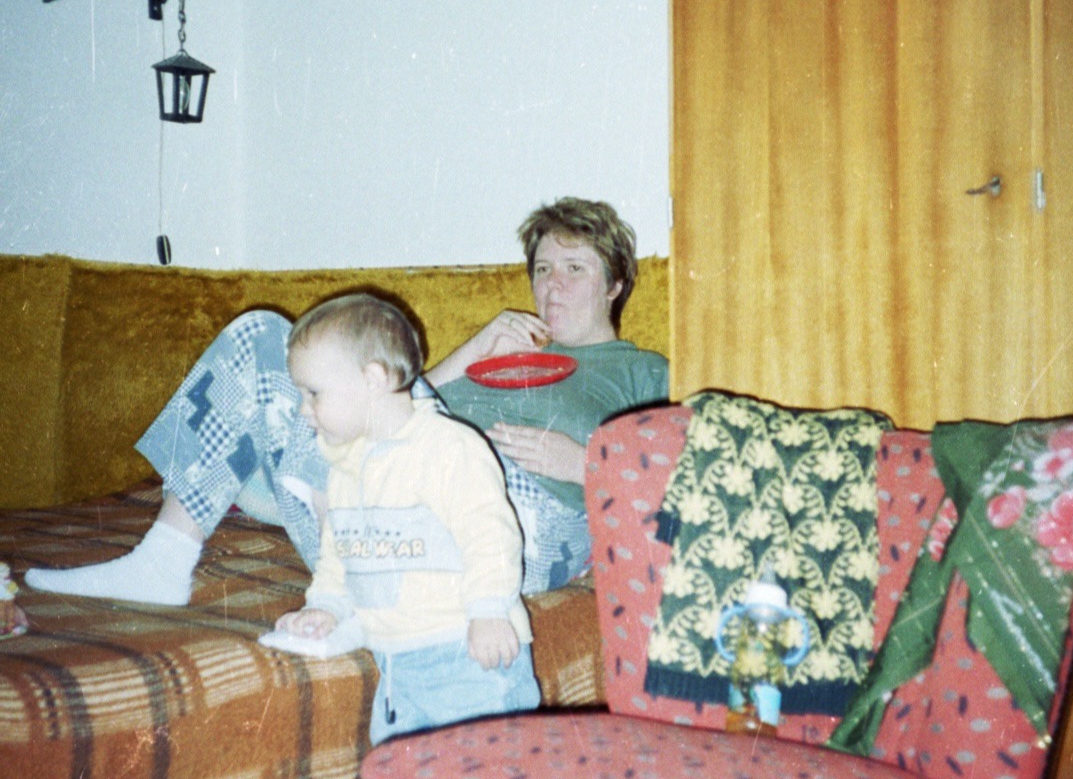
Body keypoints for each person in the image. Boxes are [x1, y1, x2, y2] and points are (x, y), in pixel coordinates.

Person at [23, 197, 668, 607]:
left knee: (302, 406)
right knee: (257, 336)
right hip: (397, 487)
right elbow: (387, 404)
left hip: (516, 526)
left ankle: (290, 505)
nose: (551, 284)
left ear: (615, 282)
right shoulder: (499, 355)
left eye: (574, 267)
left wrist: (582, 460)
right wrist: (472, 351)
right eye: (542, 268)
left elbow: (678, 490)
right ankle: (165, 558)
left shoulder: (645, 371)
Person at [255, 292, 538, 742]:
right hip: (397, 666)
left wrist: (489, 610)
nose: (303, 409)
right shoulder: (346, 466)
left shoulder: (448, 447)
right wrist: (325, 606)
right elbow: (337, 554)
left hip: (467, 656)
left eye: (313, 393)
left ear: (372, 379)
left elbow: (491, 535)